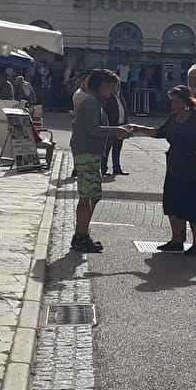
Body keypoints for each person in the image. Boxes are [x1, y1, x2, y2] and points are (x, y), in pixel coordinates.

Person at [127, 85, 196, 256]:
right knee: (172, 203)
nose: (174, 105)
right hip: (175, 166)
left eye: (177, 102)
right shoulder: (173, 118)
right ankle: (177, 239)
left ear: (186, 101)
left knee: (193, 205)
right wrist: (138, 128)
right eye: (172, 102)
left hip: (195, 168)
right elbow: (158, 132)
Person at [69, 70, 128, 253]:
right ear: (102, 84)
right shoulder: (91, 101)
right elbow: (93, 129)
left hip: (89, 152)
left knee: (92, 195)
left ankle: (82, 233)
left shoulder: (95, 102)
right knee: (88, 197)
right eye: (111, 85)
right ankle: (80, 236)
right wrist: (116, 130)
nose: (113, 89)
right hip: (86, 152)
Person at [101, 89, 128, 177]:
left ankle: (117, 168)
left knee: (117, 148)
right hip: (111, 126)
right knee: (107, 148)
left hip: (121, 125)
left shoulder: (120, 96)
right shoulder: (108, 97)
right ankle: (103, 168)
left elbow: (123, 110)